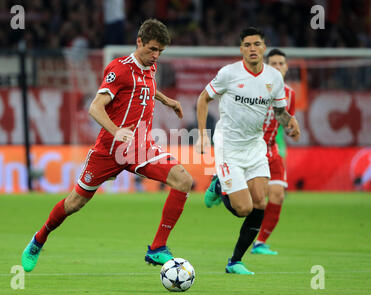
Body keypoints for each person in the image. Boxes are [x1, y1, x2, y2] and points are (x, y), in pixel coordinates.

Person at [22, 18, 193, 272]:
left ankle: (157, 248)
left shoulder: (150, 67)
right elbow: (95, 107)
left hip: (139, 148)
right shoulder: (119, 68)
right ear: (139, 42)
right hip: (109, 150)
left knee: (183, 180)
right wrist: (116, 131)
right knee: (74, 204)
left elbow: (146, 86)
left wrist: (167, 100)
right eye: (152, 49)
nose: (155, 56)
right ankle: (39, 239)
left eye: (160, 51)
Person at [196, 27, 300, 274]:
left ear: (264, 48)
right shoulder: (228, 73)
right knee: (243, 209)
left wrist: (290, 122)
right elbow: (203, 99)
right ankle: (219, 185)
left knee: (260, 203)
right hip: (228, 145)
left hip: (255, 146)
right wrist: (202, 135)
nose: (252, 49)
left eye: (256, 44)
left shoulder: (274, 78)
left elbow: (278, 112)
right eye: (247, 45)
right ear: (241, 49)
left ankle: (235, 262)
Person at [251, 48, 299, 255]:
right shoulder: (255, 89)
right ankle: (221, 185)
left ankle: (260, 242)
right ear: (267, 66)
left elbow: (286, 120)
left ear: (287, 67)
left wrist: (292, 129)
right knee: (253, 201)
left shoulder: (290, 94)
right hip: (251, 149)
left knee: (277, 195)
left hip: (272, 150)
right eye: (274, 64)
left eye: (281, 63)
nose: (278, 67)